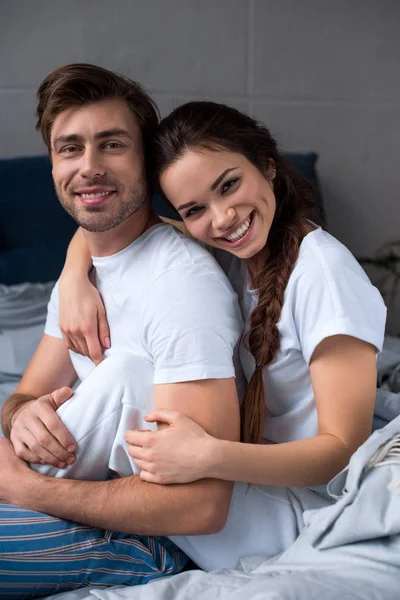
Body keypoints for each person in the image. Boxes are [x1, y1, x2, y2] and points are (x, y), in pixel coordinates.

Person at [58, 100, 387, 538]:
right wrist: (72, 277)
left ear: (267, 165)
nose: (223, 217)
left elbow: (341, 451)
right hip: (244, 476)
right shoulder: (232, 252)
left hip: (306, 505)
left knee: (125, 382)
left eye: (229, 185)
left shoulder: (324, 275)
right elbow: (109, 228)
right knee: (127, 377)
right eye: (194, 209)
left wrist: (209, 455)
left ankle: (27, 490)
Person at [0, 64, 245, 598]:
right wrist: (22, 417)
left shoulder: (182, 286)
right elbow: (23, 393)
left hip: (159, 533)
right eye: (69, 149)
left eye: (111, 145)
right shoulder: (83, 274)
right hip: (88, 491)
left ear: (147, 161)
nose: (89, 168)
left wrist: (27, 488)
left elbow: (201, 504)